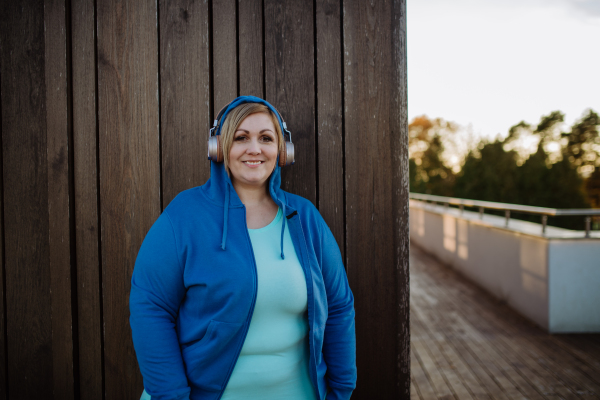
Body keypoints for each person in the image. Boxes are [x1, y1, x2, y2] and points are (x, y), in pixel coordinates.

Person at [130, 96, 356, 400]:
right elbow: (150, 308)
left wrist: (341, 390)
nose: (254, 148)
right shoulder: (184, 216)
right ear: (219, 148)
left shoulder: (305, 218)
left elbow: (340, 306)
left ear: (282, 150)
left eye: (266, 138)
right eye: (241, 137)